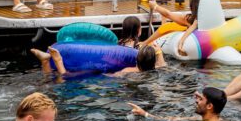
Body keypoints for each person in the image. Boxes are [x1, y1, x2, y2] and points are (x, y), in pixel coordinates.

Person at [32, 44, 160, 78]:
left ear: (136, 59)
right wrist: (159, 53)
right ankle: (47, 61)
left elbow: (113, 76)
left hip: (102, 77)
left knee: (65, 77)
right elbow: (162, 64)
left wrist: (104, 72)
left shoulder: (129, 70)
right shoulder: (156, 70)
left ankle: (54, 61)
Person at [128, 87, 227, 121]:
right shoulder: (216, 120)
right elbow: (172, 120)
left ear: (209, 106)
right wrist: (144, 113)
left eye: (201, 99)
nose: (196, 101)